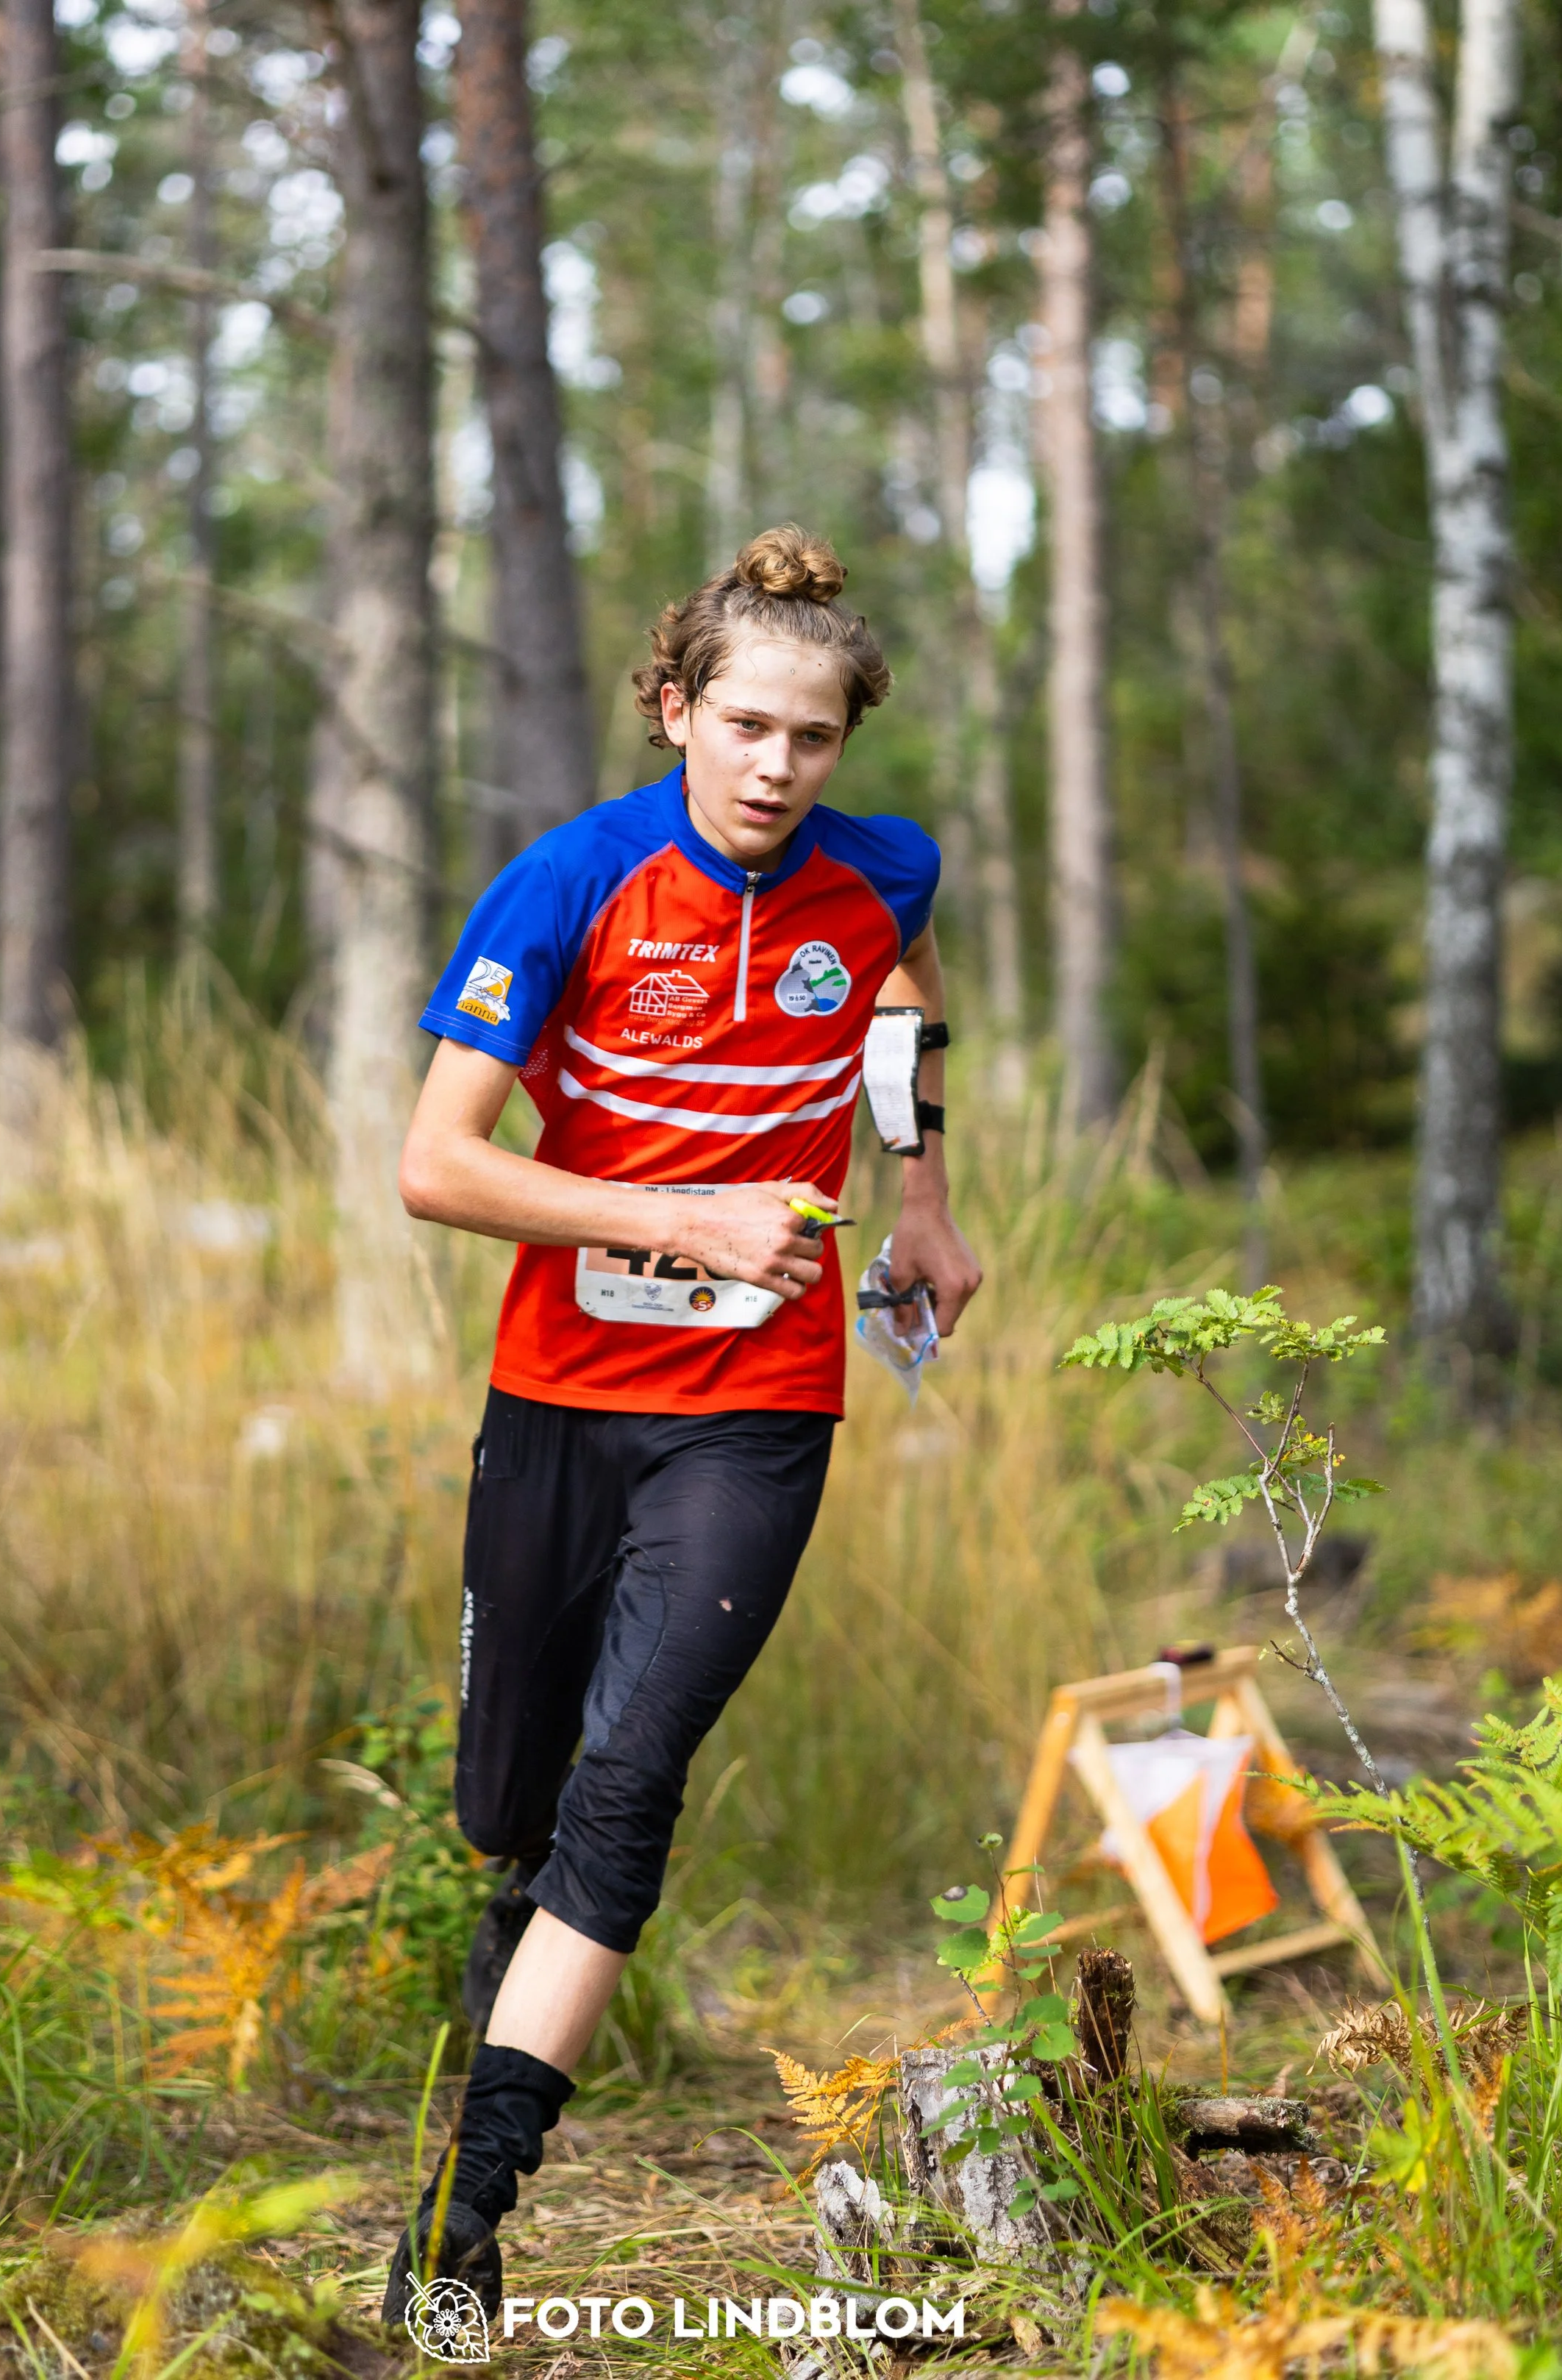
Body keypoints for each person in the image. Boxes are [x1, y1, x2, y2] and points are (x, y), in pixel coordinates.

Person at [382, 525, 982, 2318]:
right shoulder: (564, 885)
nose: (776, 770)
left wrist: (924, 1196)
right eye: (744, 729)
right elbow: (433, 1166)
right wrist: (676, 1217)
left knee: (630, 1785)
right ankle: (512, 1939)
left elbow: (903, 999)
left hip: (756, 1406)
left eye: (811, 739)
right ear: (675, 709)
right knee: (513, 1807)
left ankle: (459, 2224)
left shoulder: (881, 873)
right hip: (560, 1397)